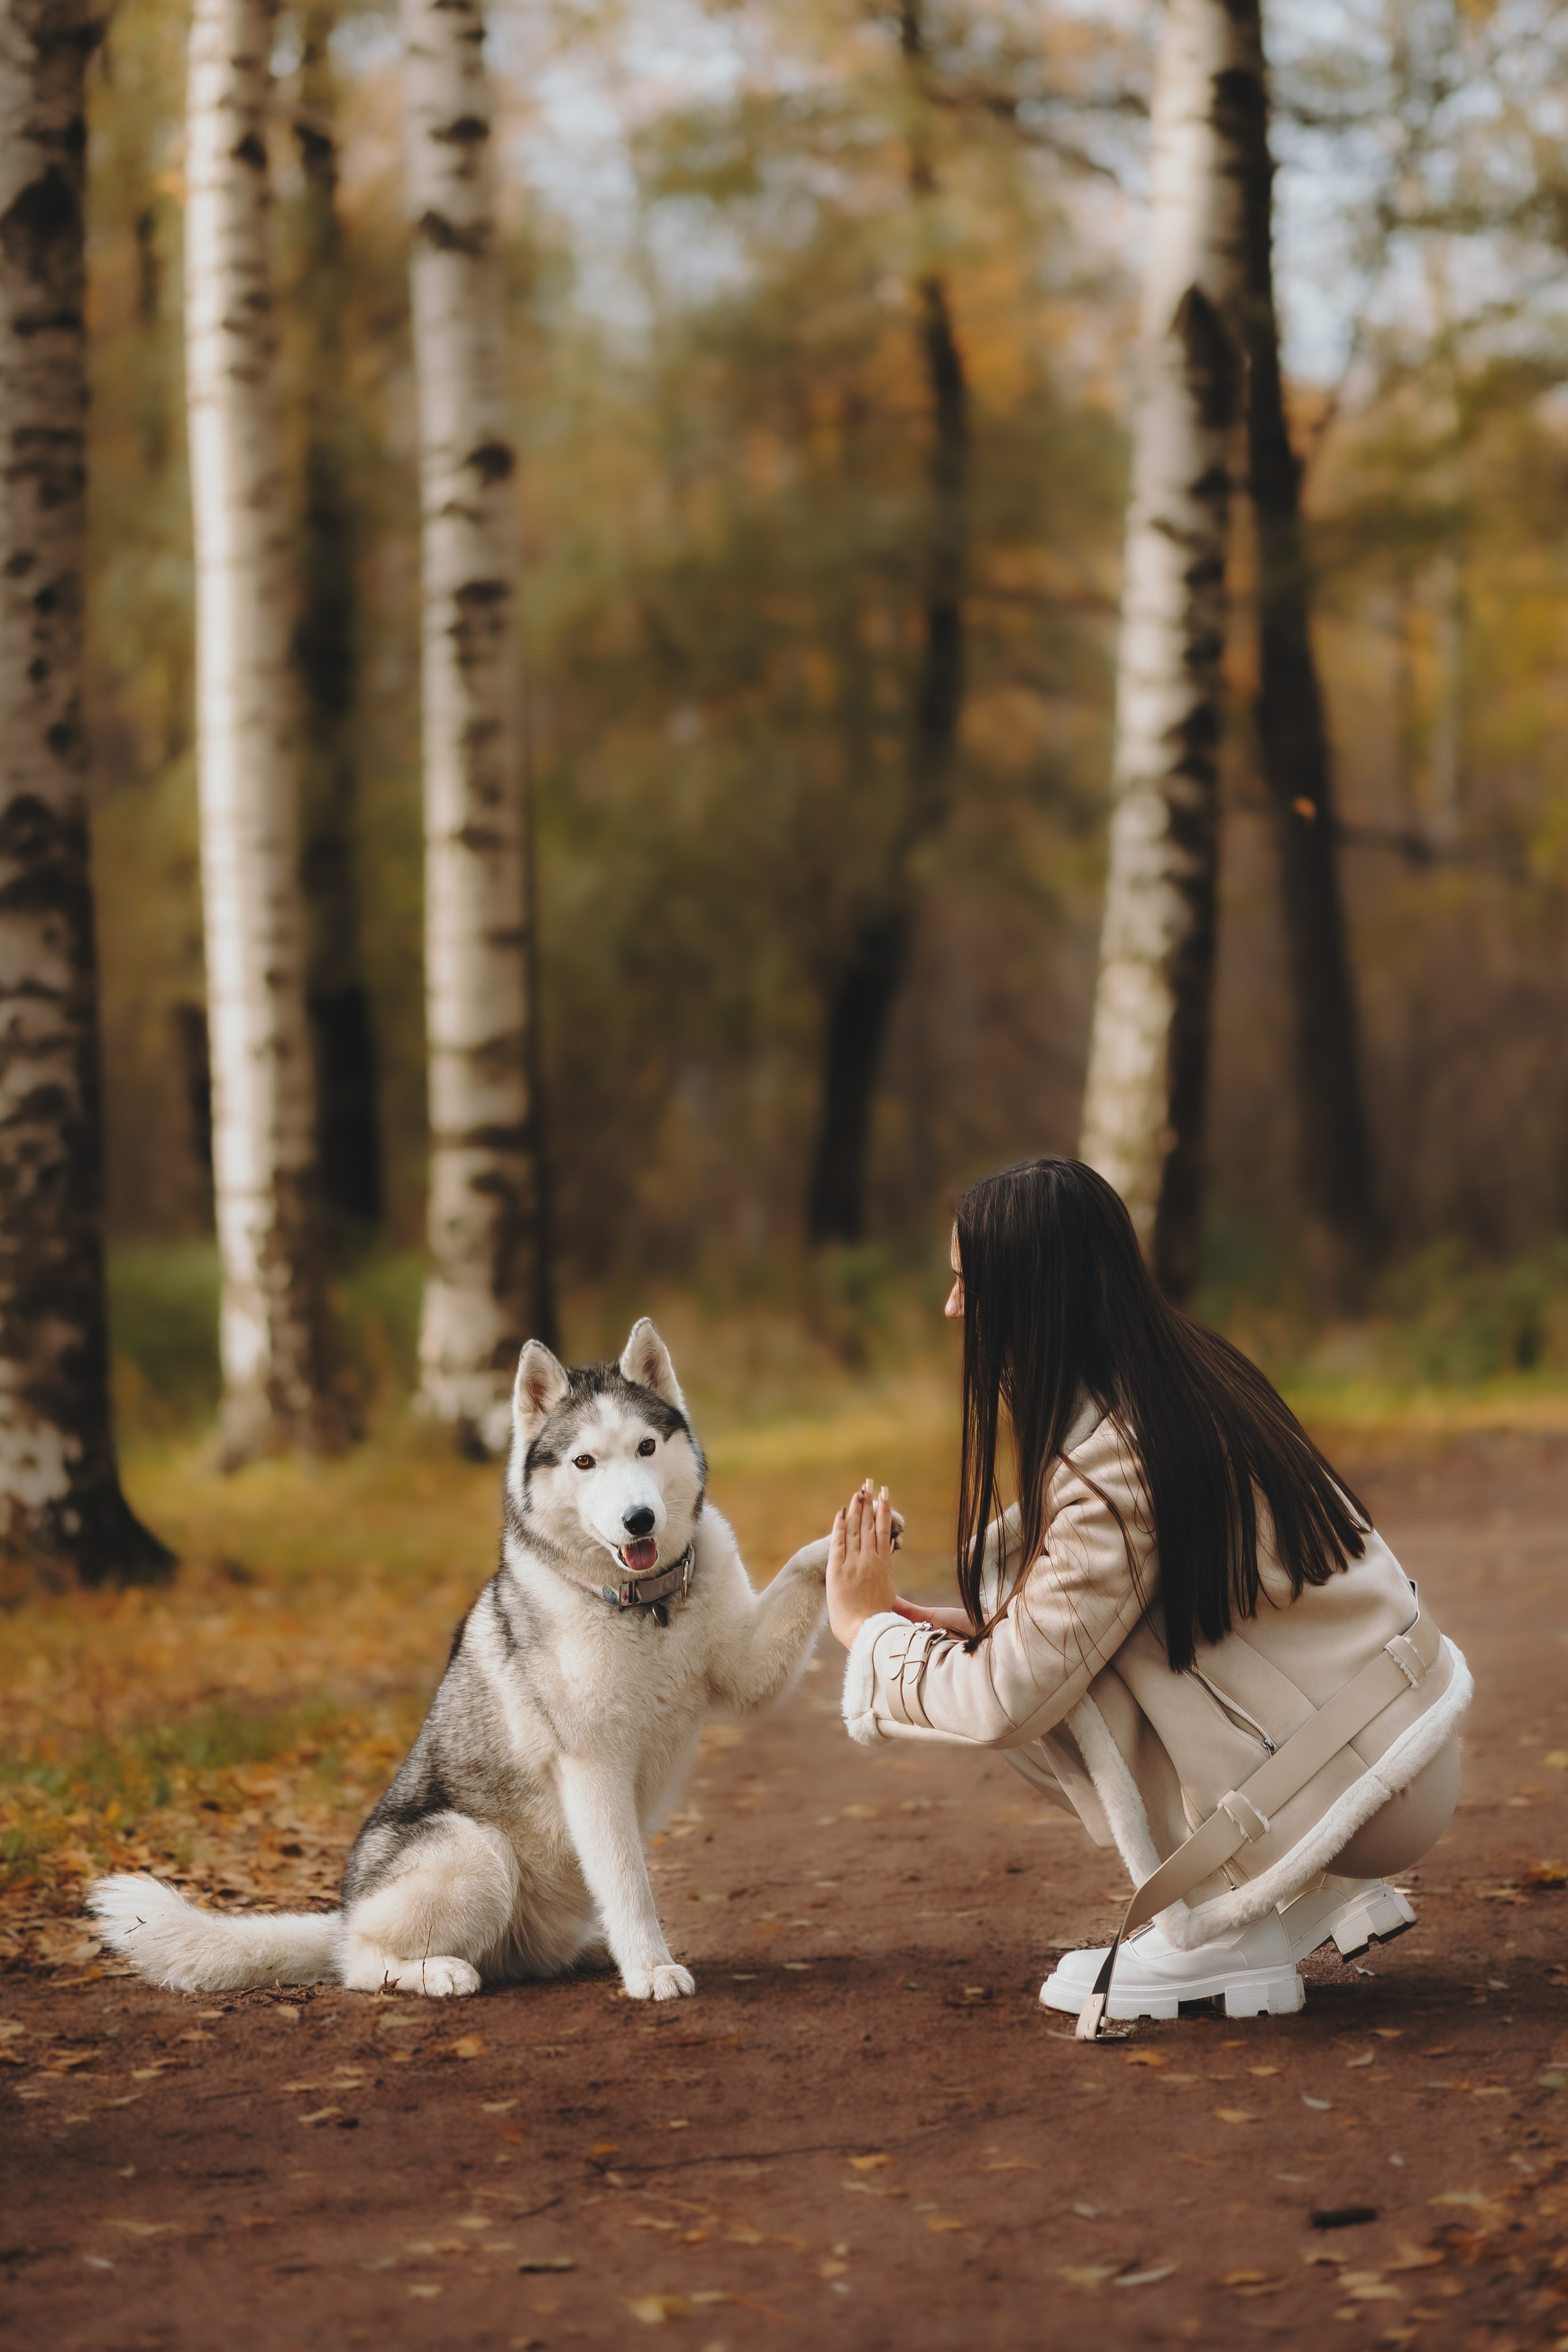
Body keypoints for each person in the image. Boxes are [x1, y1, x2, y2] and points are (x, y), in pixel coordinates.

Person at [823, 1158, 1470, 2036]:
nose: (953, 1307)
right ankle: (1286, 1892)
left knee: (1045, 1681)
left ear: (1031, 1295)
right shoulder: (1186, 1375)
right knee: (1038, 1636)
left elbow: (1003, 1699)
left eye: (968, 1282)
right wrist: (979, 1624)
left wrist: (867, 1635)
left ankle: (1223, 1928)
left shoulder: (1118, 1468)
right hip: (1395, 1752)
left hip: (1369, 1792)